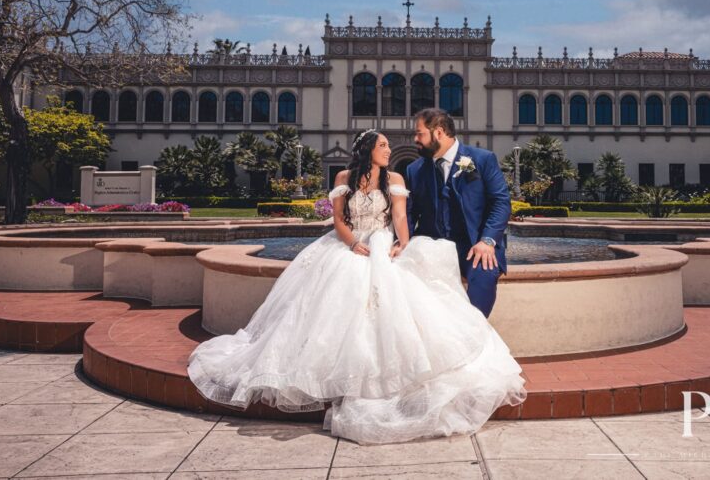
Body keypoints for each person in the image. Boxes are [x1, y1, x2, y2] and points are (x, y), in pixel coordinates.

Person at [187, 129, 526, 445]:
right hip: (345, 245)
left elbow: (399, 217)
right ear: (368, 150)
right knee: (331, 296)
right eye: (383, 146)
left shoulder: (394, 178)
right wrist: (350, 243)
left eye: (389, 147)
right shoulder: (343, 178)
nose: (389, 150)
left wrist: (402, 245)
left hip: (381, 243)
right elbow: (338, 219)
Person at [405, 108, 511, 317]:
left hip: (474, 244)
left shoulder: (481, 159)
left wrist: (488, 240)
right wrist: (402, 243)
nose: (415, 139)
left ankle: (473, 334)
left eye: (420, 133)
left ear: (439, 132)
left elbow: (501, 202)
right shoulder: (414, 170)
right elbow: (409, 213)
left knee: (484, 275)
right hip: (432, 246)